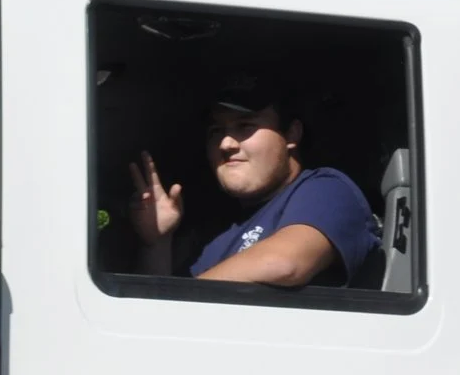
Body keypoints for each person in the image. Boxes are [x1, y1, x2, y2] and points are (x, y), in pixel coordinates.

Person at [128, 79, 378, 287]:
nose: (226, 144)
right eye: (216, 131)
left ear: (292, 134)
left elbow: (284, 263)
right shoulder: (213, 228)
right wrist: (157, 243)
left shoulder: (325, 190)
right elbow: (153, 308)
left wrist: (180, 301)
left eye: (245, 126)